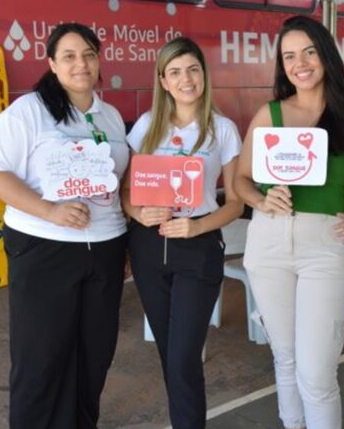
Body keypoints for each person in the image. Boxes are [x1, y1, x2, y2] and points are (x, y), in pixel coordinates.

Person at [0, 23, 129, 428]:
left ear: (99, 60)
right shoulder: (28, 112)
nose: (80, 63)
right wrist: (49, 211)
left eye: (88, 54)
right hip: (45, 248)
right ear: (51, 63)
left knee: (94, 354)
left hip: (105, 248)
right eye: (69, 55)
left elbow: (122, 182)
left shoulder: (111, 116)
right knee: (41, 358)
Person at [234, 15, 344, 429]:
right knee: (285, 360)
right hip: (268, 244)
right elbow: (239, 179)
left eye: (309, 51)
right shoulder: (269, 114)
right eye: (289, 56)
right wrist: (262, 197)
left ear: (326, 54)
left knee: (317, 374)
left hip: (325, 248)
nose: (300, 63)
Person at [121, 37, 243, 429]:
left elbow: (236, 204)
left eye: (192, 69)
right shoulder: (145, 127)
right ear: (163, 80)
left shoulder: (221, 130)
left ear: (204, 75)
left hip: (198, 249)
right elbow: (124, 192)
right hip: (149, 249)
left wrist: (197, 226)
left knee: (183, 357)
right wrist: (139, 214)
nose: (185, 79)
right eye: (175, 72)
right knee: (167, 355)